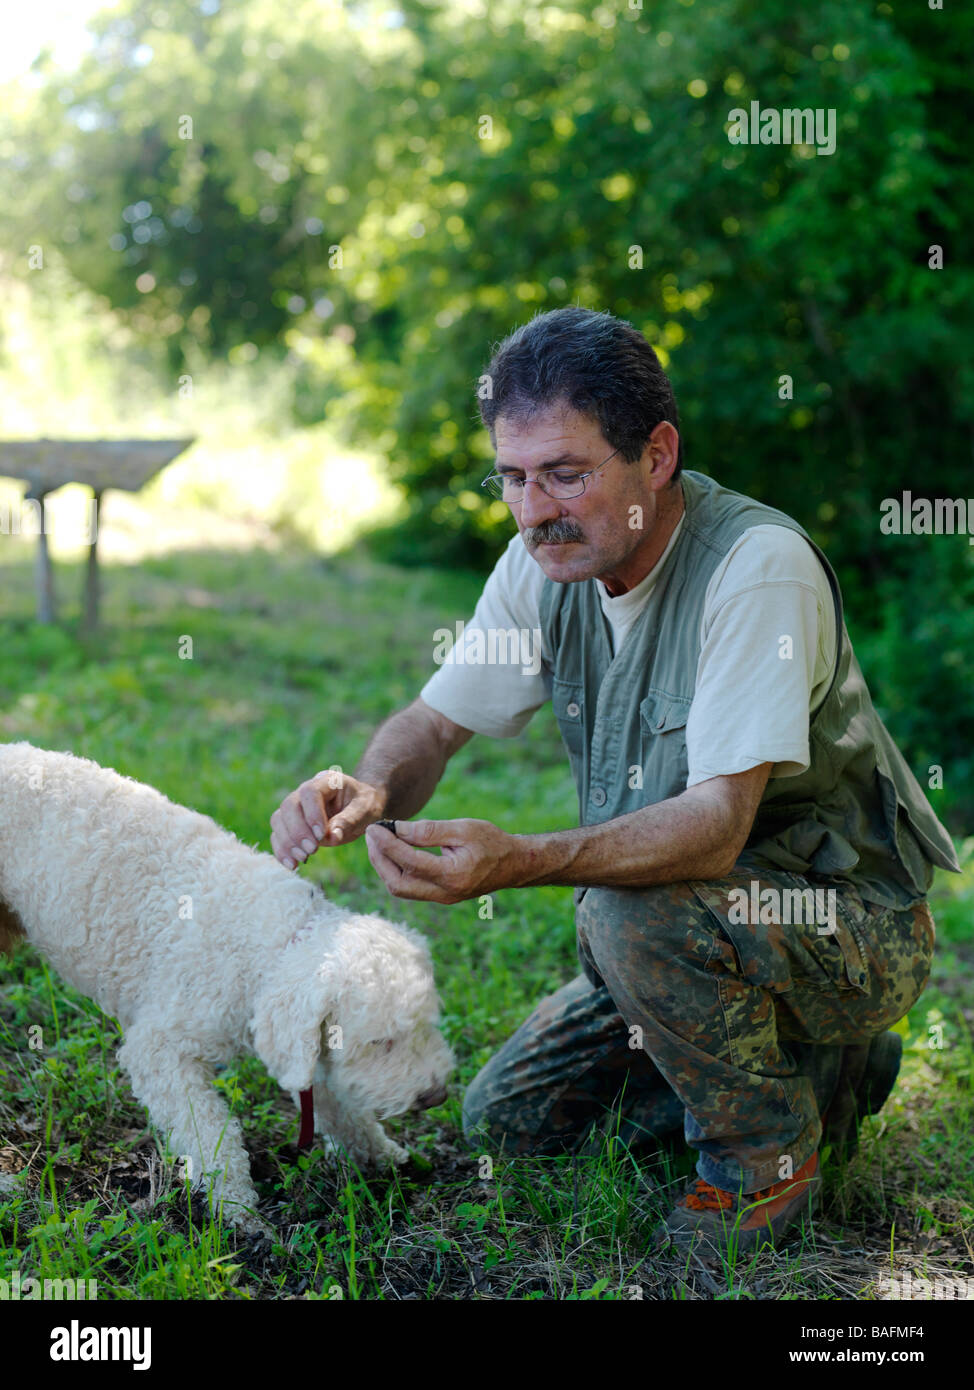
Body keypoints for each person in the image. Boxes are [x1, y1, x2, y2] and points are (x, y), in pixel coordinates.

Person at [270, 306, 959, 1254]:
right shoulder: (542, 562)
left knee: (622, 916)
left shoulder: (755, 568)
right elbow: (433, 724)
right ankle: (822, 1069)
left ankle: (765, 1159)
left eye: (565, 473)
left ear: (658, 456)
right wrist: (373, 788)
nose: (532, 506)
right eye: (512, 477)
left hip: (845, 918)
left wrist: (522, 861)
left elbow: (717, 827)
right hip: (692, 931)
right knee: (509, 1121)